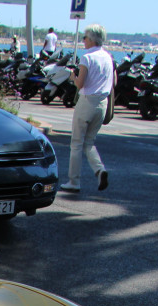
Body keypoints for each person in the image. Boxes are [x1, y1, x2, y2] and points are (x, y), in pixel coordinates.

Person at [61, 22, 114, 194]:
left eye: (85, 38)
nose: (83, 41)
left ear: (91, 40)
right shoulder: (108, 57)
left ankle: (73, 181)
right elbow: (114, 81)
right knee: (89, 142)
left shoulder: (87, 57)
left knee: (76, 143)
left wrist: (72, 76)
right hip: (102, 103)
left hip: (87, 101)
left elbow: (80, 83)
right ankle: (99, 170)